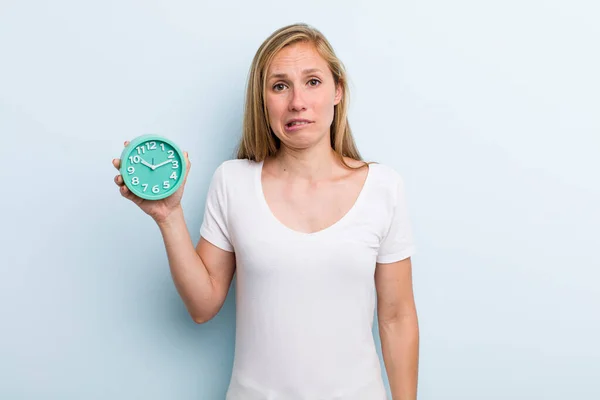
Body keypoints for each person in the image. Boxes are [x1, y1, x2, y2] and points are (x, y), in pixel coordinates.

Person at [112, 23, 419, 400]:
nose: (297, 102)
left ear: (337, 90)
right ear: (263, 100)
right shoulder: (232, 182)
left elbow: (397, 317)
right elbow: (203, 306)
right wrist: (168, 216)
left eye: (312, 82)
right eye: (279, 86)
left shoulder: (383, 187)